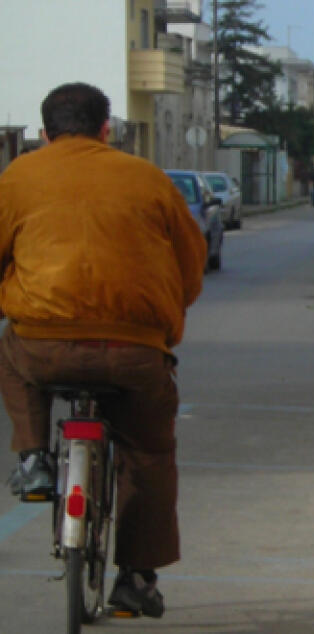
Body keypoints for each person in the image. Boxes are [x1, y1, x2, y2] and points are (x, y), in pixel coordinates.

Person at [0, 83, 206, 618]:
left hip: (44, 344)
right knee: (149, 454)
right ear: (106, 130)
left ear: (44, 133)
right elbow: (189, 265)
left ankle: (33, 459)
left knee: (11, 352)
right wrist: (165, 324)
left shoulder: (18, 176)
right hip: (134, 352)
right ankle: (136, 576)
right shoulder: (149, 179)